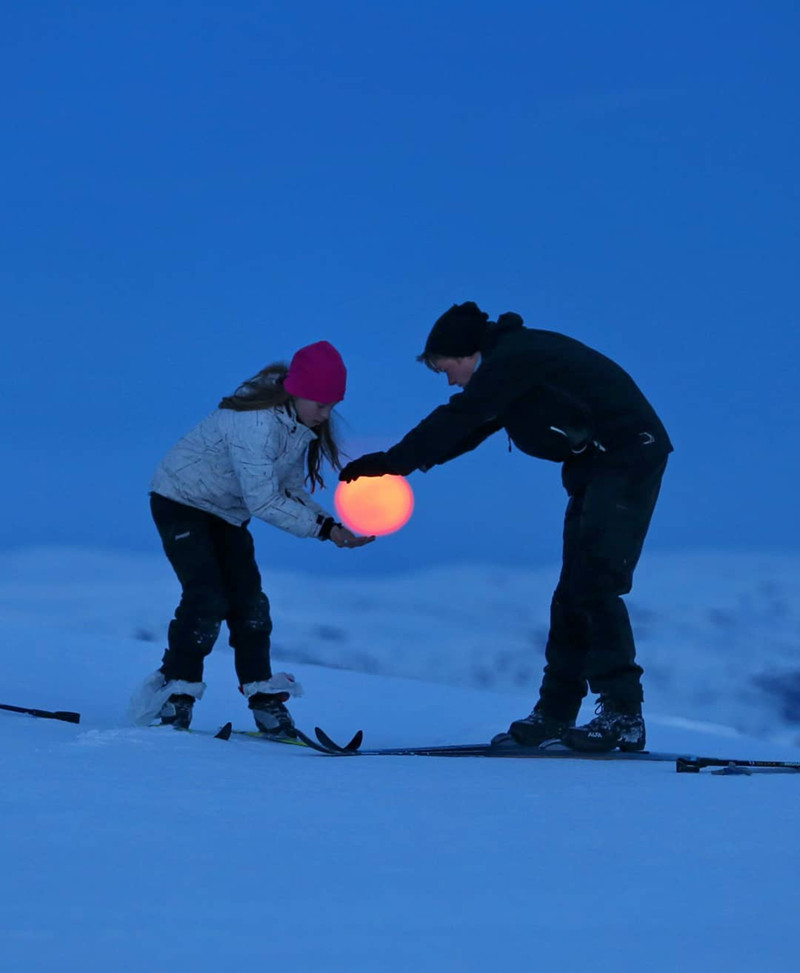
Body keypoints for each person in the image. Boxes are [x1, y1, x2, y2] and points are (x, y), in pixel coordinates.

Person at [339, 303, 672, 752]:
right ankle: (555, 713)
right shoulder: (508, 368)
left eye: (447, 369)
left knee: (595, 582)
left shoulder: (515, 358)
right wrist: (397, 465)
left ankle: (623, 715)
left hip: (628, 457)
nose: (450, 380)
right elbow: (471, 427)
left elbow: (462, 416)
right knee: (573, 588)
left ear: (467, 351)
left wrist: (392, 461)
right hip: (599, 464)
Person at [129, 341, 374, 736]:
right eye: (321, 404)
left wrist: (331, 526)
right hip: (181, 501)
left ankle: (264, 700)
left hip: (226, 513)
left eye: (332, 405)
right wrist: (323, 530)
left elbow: (288, 488)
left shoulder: (296, 425)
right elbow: (263, 500)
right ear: (297, 391)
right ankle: (177, 695)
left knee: (251, 605)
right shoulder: (257, 423)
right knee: (206, 598)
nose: (326, 414)